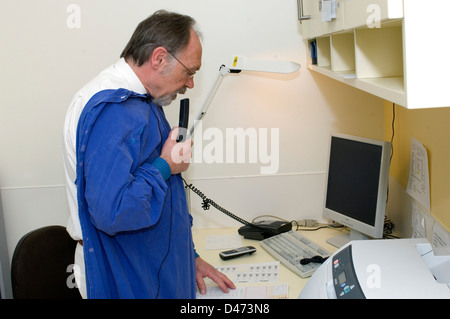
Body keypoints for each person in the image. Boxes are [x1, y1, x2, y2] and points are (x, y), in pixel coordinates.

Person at [63, 10, 235, 299]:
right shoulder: (114, 111)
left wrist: (189, 258)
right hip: (125, 274)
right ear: (159, 58)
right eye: (189, 72)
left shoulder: (142, 100)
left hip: (147, 267)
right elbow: (114, 212)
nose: (190, 83)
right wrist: (166, 166)